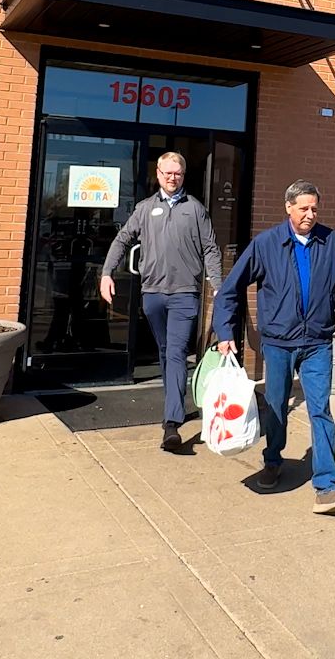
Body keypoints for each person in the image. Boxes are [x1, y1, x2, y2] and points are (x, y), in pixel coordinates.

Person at [212, 179, 335, 515]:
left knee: (320, 411)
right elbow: (230, 289)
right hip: (279, 343)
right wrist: (225, 331)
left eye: (314, 208)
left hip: (317, 343)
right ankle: (272, 460)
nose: (310, 214)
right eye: (303, 208)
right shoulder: (266, 244)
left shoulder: (332, 242)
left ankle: (327, 486)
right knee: (277, 406)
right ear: (288, 208)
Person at [101, 151, 221, 452]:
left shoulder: (195, 209)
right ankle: (173, 405)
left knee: (178, 352)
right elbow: (122, 239)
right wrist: (106, 273)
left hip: (184, 294)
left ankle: (172, 423)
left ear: (183, 175)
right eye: (167, 173)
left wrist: (218, 285)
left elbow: (211, 249)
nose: (172, 178)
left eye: (177, 173)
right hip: (152, 293)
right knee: (166, 351)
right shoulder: (144, 209)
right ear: (158, 174)